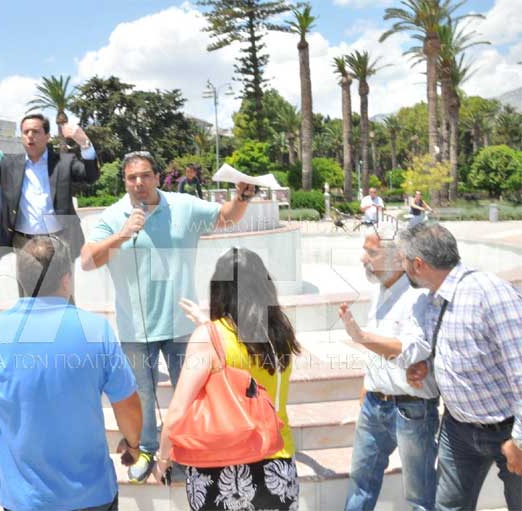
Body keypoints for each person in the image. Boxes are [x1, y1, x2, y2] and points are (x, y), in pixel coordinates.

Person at [80, 151, 256, 483]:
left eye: (145, 175)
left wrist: (241, 199)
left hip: (182, 326)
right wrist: (122, 234)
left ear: (157, 177)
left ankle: (187, 449)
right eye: (132, 177)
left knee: (189, 392)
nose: (139, 183)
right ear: (125, 182)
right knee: (142, 396)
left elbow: (225, 217)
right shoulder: (113, 216)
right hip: (135, 327)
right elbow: (88, 260)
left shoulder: (182, 206)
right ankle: (146, 449)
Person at [0, 236, 143, 511]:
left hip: (23, 499)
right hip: (90, 495)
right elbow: (127, 404)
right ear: (66, 280)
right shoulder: (95, 330)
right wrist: (133, 446)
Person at [154, 247, 301, 511]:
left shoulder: (208, 339)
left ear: (219, 290)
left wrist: (163, 459)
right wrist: (206, 326)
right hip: (278, 466)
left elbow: (177, 410)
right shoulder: (281, 334)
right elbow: (244, 348)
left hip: (221, 470)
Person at [398, 223, 522, 510]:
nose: (402, 267)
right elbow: (462, 347)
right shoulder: (436, 299)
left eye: (403, 260)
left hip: (509, 430)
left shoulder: (490, 293)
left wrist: (520, 440)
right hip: (458, 431)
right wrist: (428, 365)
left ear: (419, 264)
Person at [336, 227, 438, 511]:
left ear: (398, 257)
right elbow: (381, 347)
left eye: (371, 252)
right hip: (374, 405)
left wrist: (361, 337)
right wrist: (367, 386)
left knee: (420, 497)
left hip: (411, 409)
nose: (363, 259)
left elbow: (412, 349)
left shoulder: (419, 297)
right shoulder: (379, 291)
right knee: (360, 485)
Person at [0, 114, 100, 258]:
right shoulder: (9, 164)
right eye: (25, 132)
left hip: (61, 243)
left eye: (35, 131)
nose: (30, 136)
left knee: (65, 274)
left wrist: (85, 143)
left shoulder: (64, 162)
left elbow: (91, 176)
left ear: (47, 136)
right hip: (23, 245)